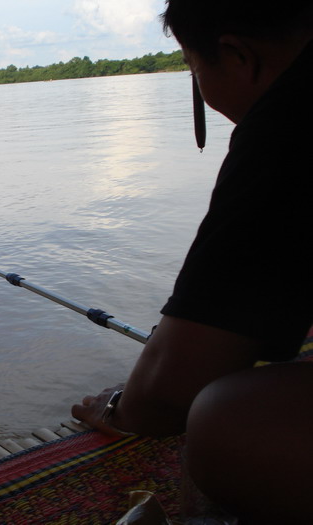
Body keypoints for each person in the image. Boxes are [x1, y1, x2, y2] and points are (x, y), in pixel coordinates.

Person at [71, 1, 313, 523]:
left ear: (237, 56)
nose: (199, 86)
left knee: (223, 417)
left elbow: (169, 392)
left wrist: (117, 408)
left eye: (193, 69)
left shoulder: (287, 127)